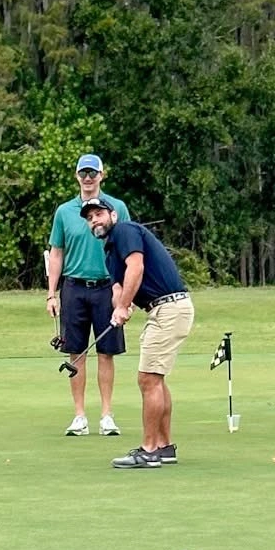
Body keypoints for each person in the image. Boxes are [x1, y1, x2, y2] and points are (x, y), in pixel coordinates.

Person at [83, 198, 194, 469]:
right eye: (89, 218)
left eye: (99, 214)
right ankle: (164, 447)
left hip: (169, 307)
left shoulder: (125, 230)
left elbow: (137, 267)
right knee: (156, 379)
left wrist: (123, 306)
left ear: (113, 215)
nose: (95, 220)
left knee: (148, 379)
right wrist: (119, 307)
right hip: (164, 309)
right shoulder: (110, 252)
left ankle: (149, 451)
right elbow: (118, 289)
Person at [45, 154, 128, 436]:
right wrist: (51, 294)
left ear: (102, 175)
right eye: (84, 173)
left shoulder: (117, 207)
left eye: (93, 173)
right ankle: (79, 416)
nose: (88, 178)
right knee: (76, 352)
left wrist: (126, 295)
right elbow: (57, 253)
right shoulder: (64, 212)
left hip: (108, 287)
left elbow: (127, 249)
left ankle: (106, 415)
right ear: (77, 176)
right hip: (74, 288)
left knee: (106, 352)